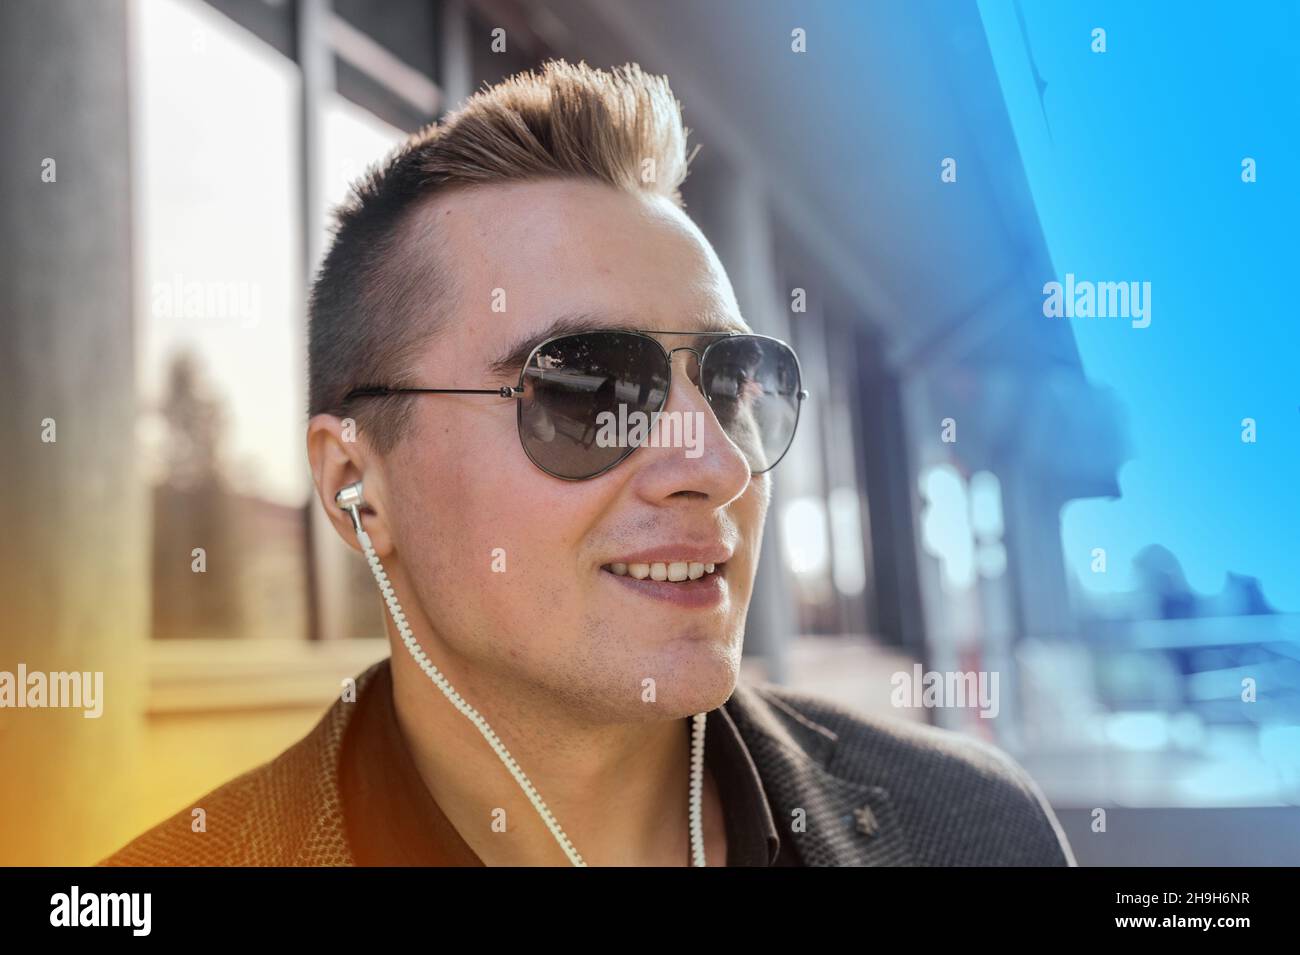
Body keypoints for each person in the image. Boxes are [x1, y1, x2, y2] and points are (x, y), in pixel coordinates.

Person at [101, 60, 1073, 867]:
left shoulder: (977, 830)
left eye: (733, 382)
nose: (715, 464)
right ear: (357, 482)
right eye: (588, 390)